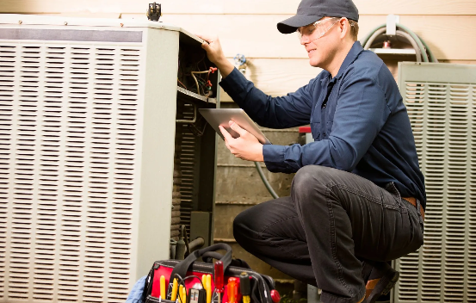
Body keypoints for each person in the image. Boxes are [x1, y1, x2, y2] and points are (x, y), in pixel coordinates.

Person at [198, 0, 425, 302]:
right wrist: (224, 65)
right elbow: (272, 112)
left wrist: (264, 153)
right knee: (252, 226)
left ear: (342, 26)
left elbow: (340, 154)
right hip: (348, 209)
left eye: (310, 28)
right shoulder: (325, 83)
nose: (303, 38)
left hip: (396, 214)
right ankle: (363, 273)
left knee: (312, 180)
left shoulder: (365, 75)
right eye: (300, 32)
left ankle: (339, 296)